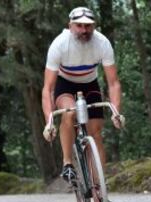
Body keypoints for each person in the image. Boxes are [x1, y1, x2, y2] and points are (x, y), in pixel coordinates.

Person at [41, 7, 122, 187]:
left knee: (96, 132)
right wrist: (49, 121)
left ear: (94, 26)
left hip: (90, 84)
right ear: (70, 26)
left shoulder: (102, 43)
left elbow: (114, 83)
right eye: (79, 26)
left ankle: (99, 187)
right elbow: (48, 88)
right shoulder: (59, 44)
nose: (84, 30)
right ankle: (68, 163)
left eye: (88, 26)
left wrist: (116, 111)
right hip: (65, 84)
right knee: (69, 113)